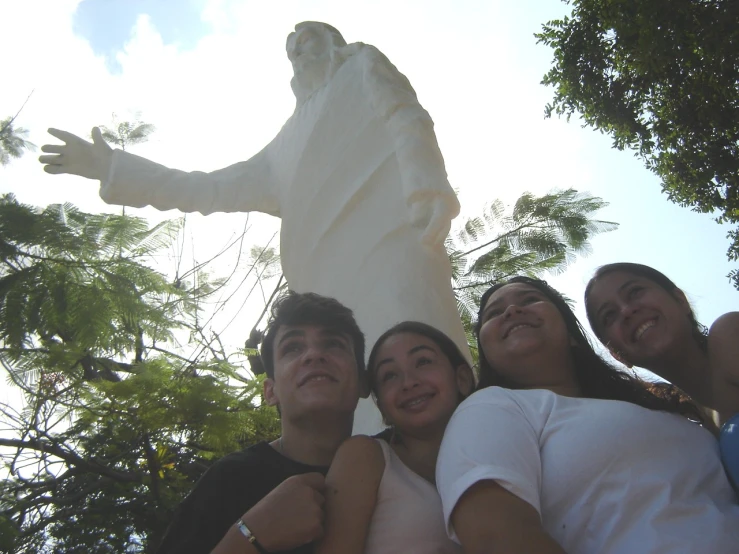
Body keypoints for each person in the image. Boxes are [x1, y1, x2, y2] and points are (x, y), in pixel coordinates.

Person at [37, 21, 470, 434]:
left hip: (394, 239)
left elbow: (405, 114)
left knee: (414, 348)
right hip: (324, 280)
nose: (298, 46)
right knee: (353, 391)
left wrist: (426, 183)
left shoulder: (360, 66)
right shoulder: (282, 147)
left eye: (309, 35)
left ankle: (468, 457)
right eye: (291, 43)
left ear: (334, 41)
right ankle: (376, 484)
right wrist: (111, 166)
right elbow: (205, 188)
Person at [436, 276, 739, 554]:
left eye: (529, 300)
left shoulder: (667, 411)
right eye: (493, 314)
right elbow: (496, 536)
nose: (512, 310)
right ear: (486, 351)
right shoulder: (492, 408)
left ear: (571, 335)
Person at [156, 290, 367, 554]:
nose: (314, 355)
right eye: (293, 347)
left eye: (334, 344)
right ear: (270, 391)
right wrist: (250, 535)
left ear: (363, 382)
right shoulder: (229, 480)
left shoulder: (396, 465)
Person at [316, 321, 472, 554]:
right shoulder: (367, 457)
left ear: (462, 379)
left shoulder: (501, 449)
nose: (409, 382)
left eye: (423, 362)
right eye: (389, 375)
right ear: (382, 409)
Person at [584, 262, 739, 489]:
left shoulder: (729, 334)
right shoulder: (692, 439)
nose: (627, 311)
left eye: (635, 292)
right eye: (609, 316)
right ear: (618, 356)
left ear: (680, 300)